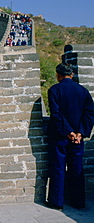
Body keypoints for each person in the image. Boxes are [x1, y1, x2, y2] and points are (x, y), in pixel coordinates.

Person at [45, 63, 94, 210]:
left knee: (58, 167)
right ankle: (78, 201)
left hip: (60, 136)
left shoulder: (54, 90)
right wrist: (79, 133)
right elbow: (90, 113)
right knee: (77, 168)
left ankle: (57, 202)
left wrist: (68, 132)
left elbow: (56, 114)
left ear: (58, 75)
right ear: (72, 75)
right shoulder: (83, 91)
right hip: (78, 138)